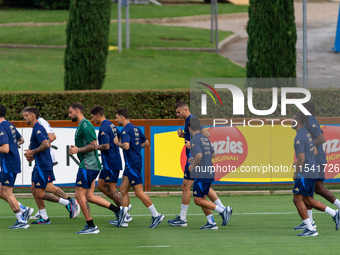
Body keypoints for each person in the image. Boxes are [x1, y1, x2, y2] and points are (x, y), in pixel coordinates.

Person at [168, 100, 229, 227]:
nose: (177, 115)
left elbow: (206, 134)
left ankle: (183, 219)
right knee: (202, 189)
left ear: (185, 109)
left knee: (188, 188)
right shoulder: (188, 121)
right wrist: (184, 135)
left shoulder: (192, 119)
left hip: (194, 161)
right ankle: (219, 213)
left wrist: (194, 143)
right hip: (197, 161)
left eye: (178, 112)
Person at [68, 102, 126, 234]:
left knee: (79, 194)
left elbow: (94, 145)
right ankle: (119, 211)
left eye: (71, 112)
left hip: (88, 165)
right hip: (90, 164)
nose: (69, 114)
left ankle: (91, 226)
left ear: (77, 112)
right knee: (89, 195)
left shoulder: (85, 124)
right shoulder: (82, 125)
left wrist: (78, 150)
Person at [21, 107, 78, 222]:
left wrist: (33, 152)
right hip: (40, 162)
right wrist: (33, 154)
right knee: (34, 189)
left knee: (41, 192)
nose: (24, 117)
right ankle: (44, 216)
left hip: (43, 164)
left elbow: (46, 143)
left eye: (26, 115)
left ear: (33, 116)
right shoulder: (36, 128)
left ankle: (68, 202)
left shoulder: (38, 127)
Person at [113, 108, 164, 228]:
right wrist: (135, 148)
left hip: (132, 165)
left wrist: (117, 143)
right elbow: (146, 142)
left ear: (123, 118)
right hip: (131, 164)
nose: (116, 120)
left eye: (117, 118)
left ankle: (157, 216)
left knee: (139, 192)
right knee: (123, 190)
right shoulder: (136, 128)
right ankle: (123, 218)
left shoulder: (126, 130)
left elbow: (125, 146)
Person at [292, 111, 340, 237]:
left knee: (297, 199)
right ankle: (334, 214)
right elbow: (313, 151)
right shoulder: (308, 134)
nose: (291, 122)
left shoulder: (299, 137)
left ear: (299, 122)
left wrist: (296, 170)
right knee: (307, 199)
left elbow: (302, 159)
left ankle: (311, 229)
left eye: (293, 120)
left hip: (305, 172)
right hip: (313, 170)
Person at [90, 105, 132, 227]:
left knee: (112, 189)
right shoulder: (111, 124)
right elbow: (118, 136)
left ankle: (124, 215)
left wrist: (94, 146)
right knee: (101, 186)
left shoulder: (103, 127)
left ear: (98, 115)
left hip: (111, 163)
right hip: (109, 163)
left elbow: (106, 146)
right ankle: (122, 211)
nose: (93, 120)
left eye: (93, 117)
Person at [187, 118, 232, 230]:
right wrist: (194, 159)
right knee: (203, 198)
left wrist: (192, 166)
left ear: (189, 128)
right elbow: (212, 155)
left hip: (202, 174)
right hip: (209, 172)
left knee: (198, 200)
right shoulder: (205, 139)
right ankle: (211, 222)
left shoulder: (194, 140)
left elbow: (199, 156)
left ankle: (223, 210)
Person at [0, 105, 33, 229]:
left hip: (8, 164)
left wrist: (10, 148)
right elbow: (21, 139)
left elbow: (5, 148)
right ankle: (23, 209)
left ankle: (21, 221)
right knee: (1, 191)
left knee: (7, 193)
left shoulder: (1, 127)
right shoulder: (9, 124)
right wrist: (13, 147)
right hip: (11, 163)